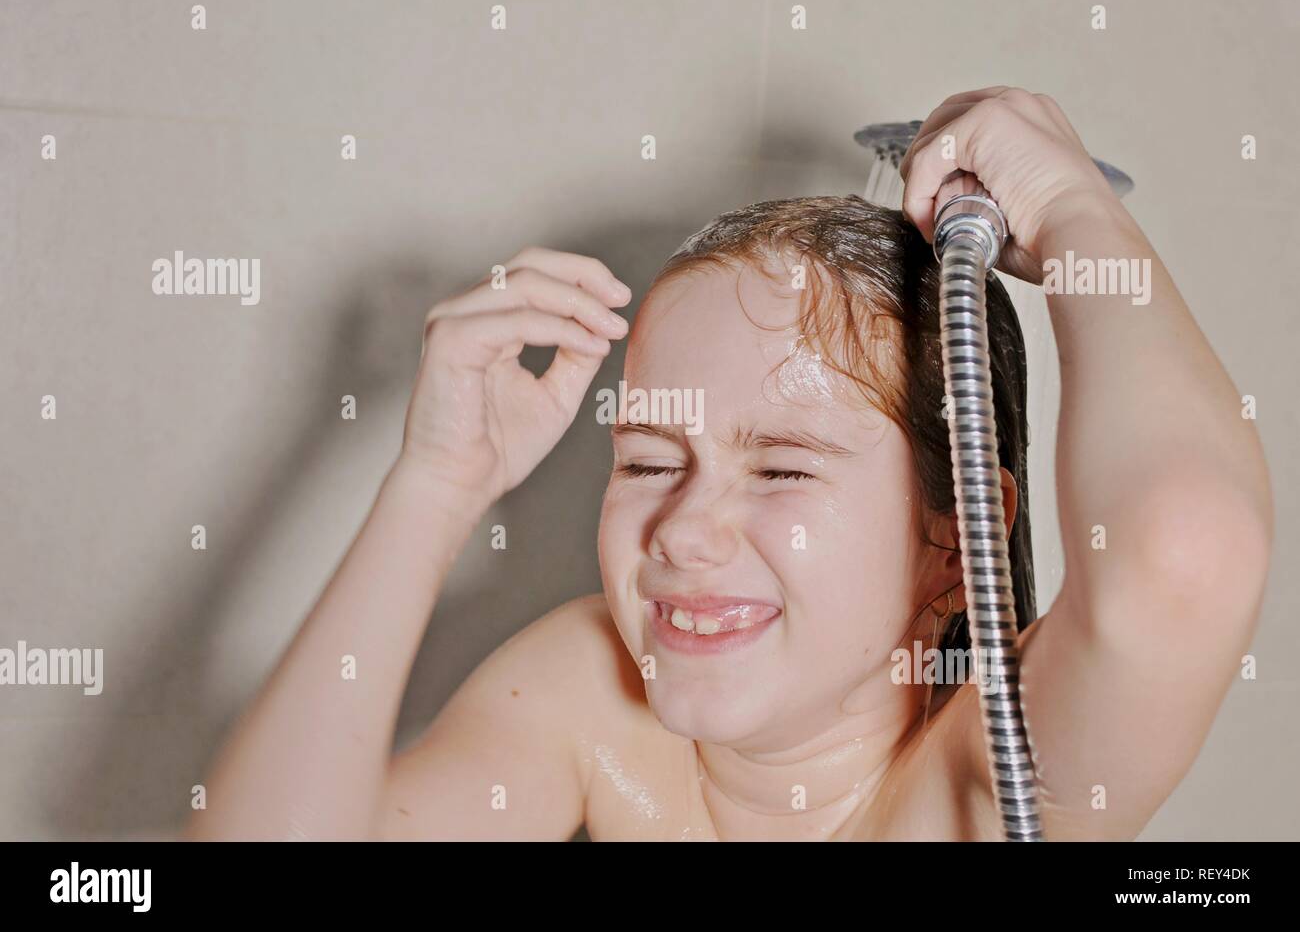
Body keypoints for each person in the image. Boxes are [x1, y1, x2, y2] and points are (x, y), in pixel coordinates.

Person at [186, 87, 1273, 841]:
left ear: (956, 535)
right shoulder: (590, 697)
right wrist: (434, 486)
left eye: (783, 469)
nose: (683, 530)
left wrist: (1074, 211)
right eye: (651, 460)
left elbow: (1184, 548)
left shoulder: (989, 783)